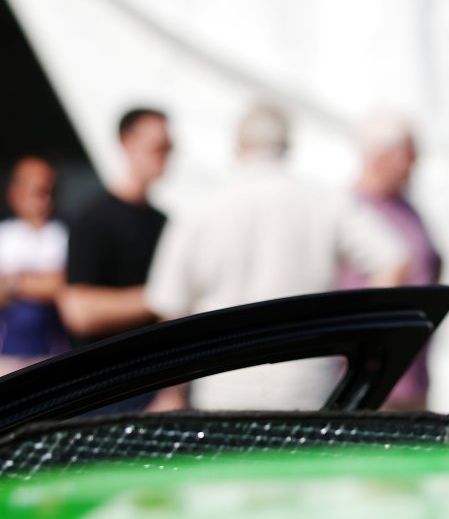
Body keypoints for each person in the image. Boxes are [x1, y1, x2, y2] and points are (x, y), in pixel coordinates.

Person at [144, 103, 409, 410]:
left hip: (221, 387)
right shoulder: (325, 201)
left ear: (238, 145)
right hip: (307, 387)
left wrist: (172, 392)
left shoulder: (200, 210)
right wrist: (357, 337)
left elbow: (171, 307)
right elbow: (393, 258)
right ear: (287, 145)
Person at [337, 112, 442, 411]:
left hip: (413, 376)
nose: (414, 164)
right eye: (409, 155)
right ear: (383, 157)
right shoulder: (349, 210)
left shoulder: (408, 209)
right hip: (371, 381)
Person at [60, 108, 171, 346]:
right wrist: (160, 296)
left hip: (156, 361)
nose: (166, 155)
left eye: (169, 147)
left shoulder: (163, 222)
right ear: (127, 142)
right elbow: (79, 311)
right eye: (158, 146)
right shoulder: (93, 219)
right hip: (109, 366)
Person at [0, 157, 69, 374]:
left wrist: (13, 283)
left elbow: (61, 285)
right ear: (15, 194)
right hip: (6, 356)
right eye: (38, 192)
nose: (46, 199)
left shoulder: (64, 234)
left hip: (52, 355)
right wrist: (36, 283)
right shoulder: (4, 234)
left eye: (50, 191)